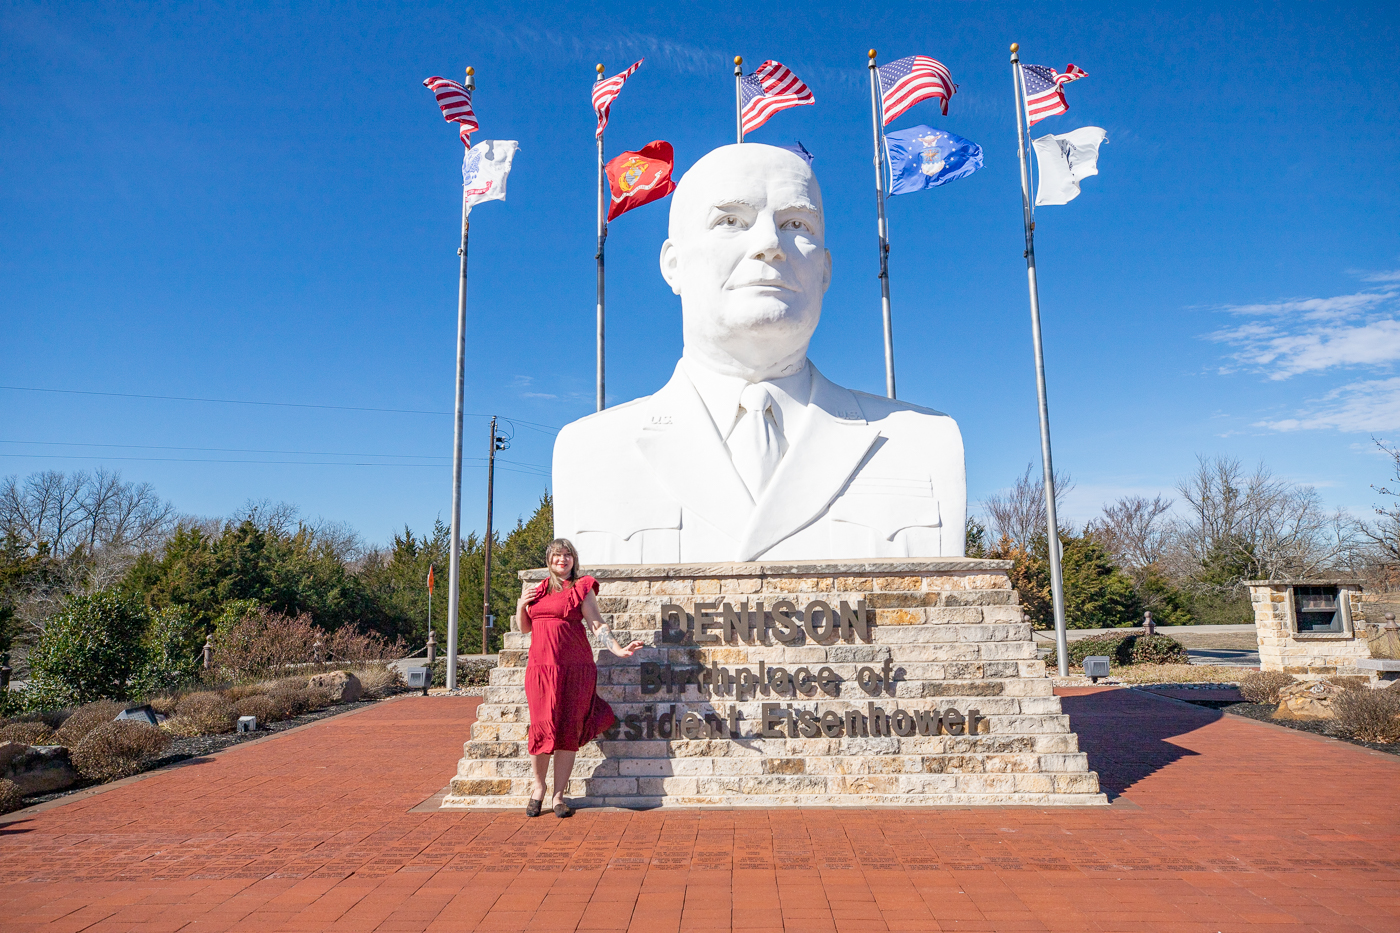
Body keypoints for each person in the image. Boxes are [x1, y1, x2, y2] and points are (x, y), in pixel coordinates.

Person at [552, 143, 966, 564]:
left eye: (796, 223)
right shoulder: (587, 453)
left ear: (824, 269)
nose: (770, 243)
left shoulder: (925, 441)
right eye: (730, 220)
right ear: (673, 265)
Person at [516, 538, 643, 817]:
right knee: (541, 727)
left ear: (574, 559)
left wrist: (618, 648)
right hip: (541, 669)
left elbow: (596, 623)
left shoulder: (582, 587)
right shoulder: (538, 591)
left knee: (568, 729)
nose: (562, 559)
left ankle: (558, 797)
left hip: (575, 668)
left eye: (567, 555)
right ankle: (538, 788)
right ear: (549, 560)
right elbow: (525, 627)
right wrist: (520, 605)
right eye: (557, 555)